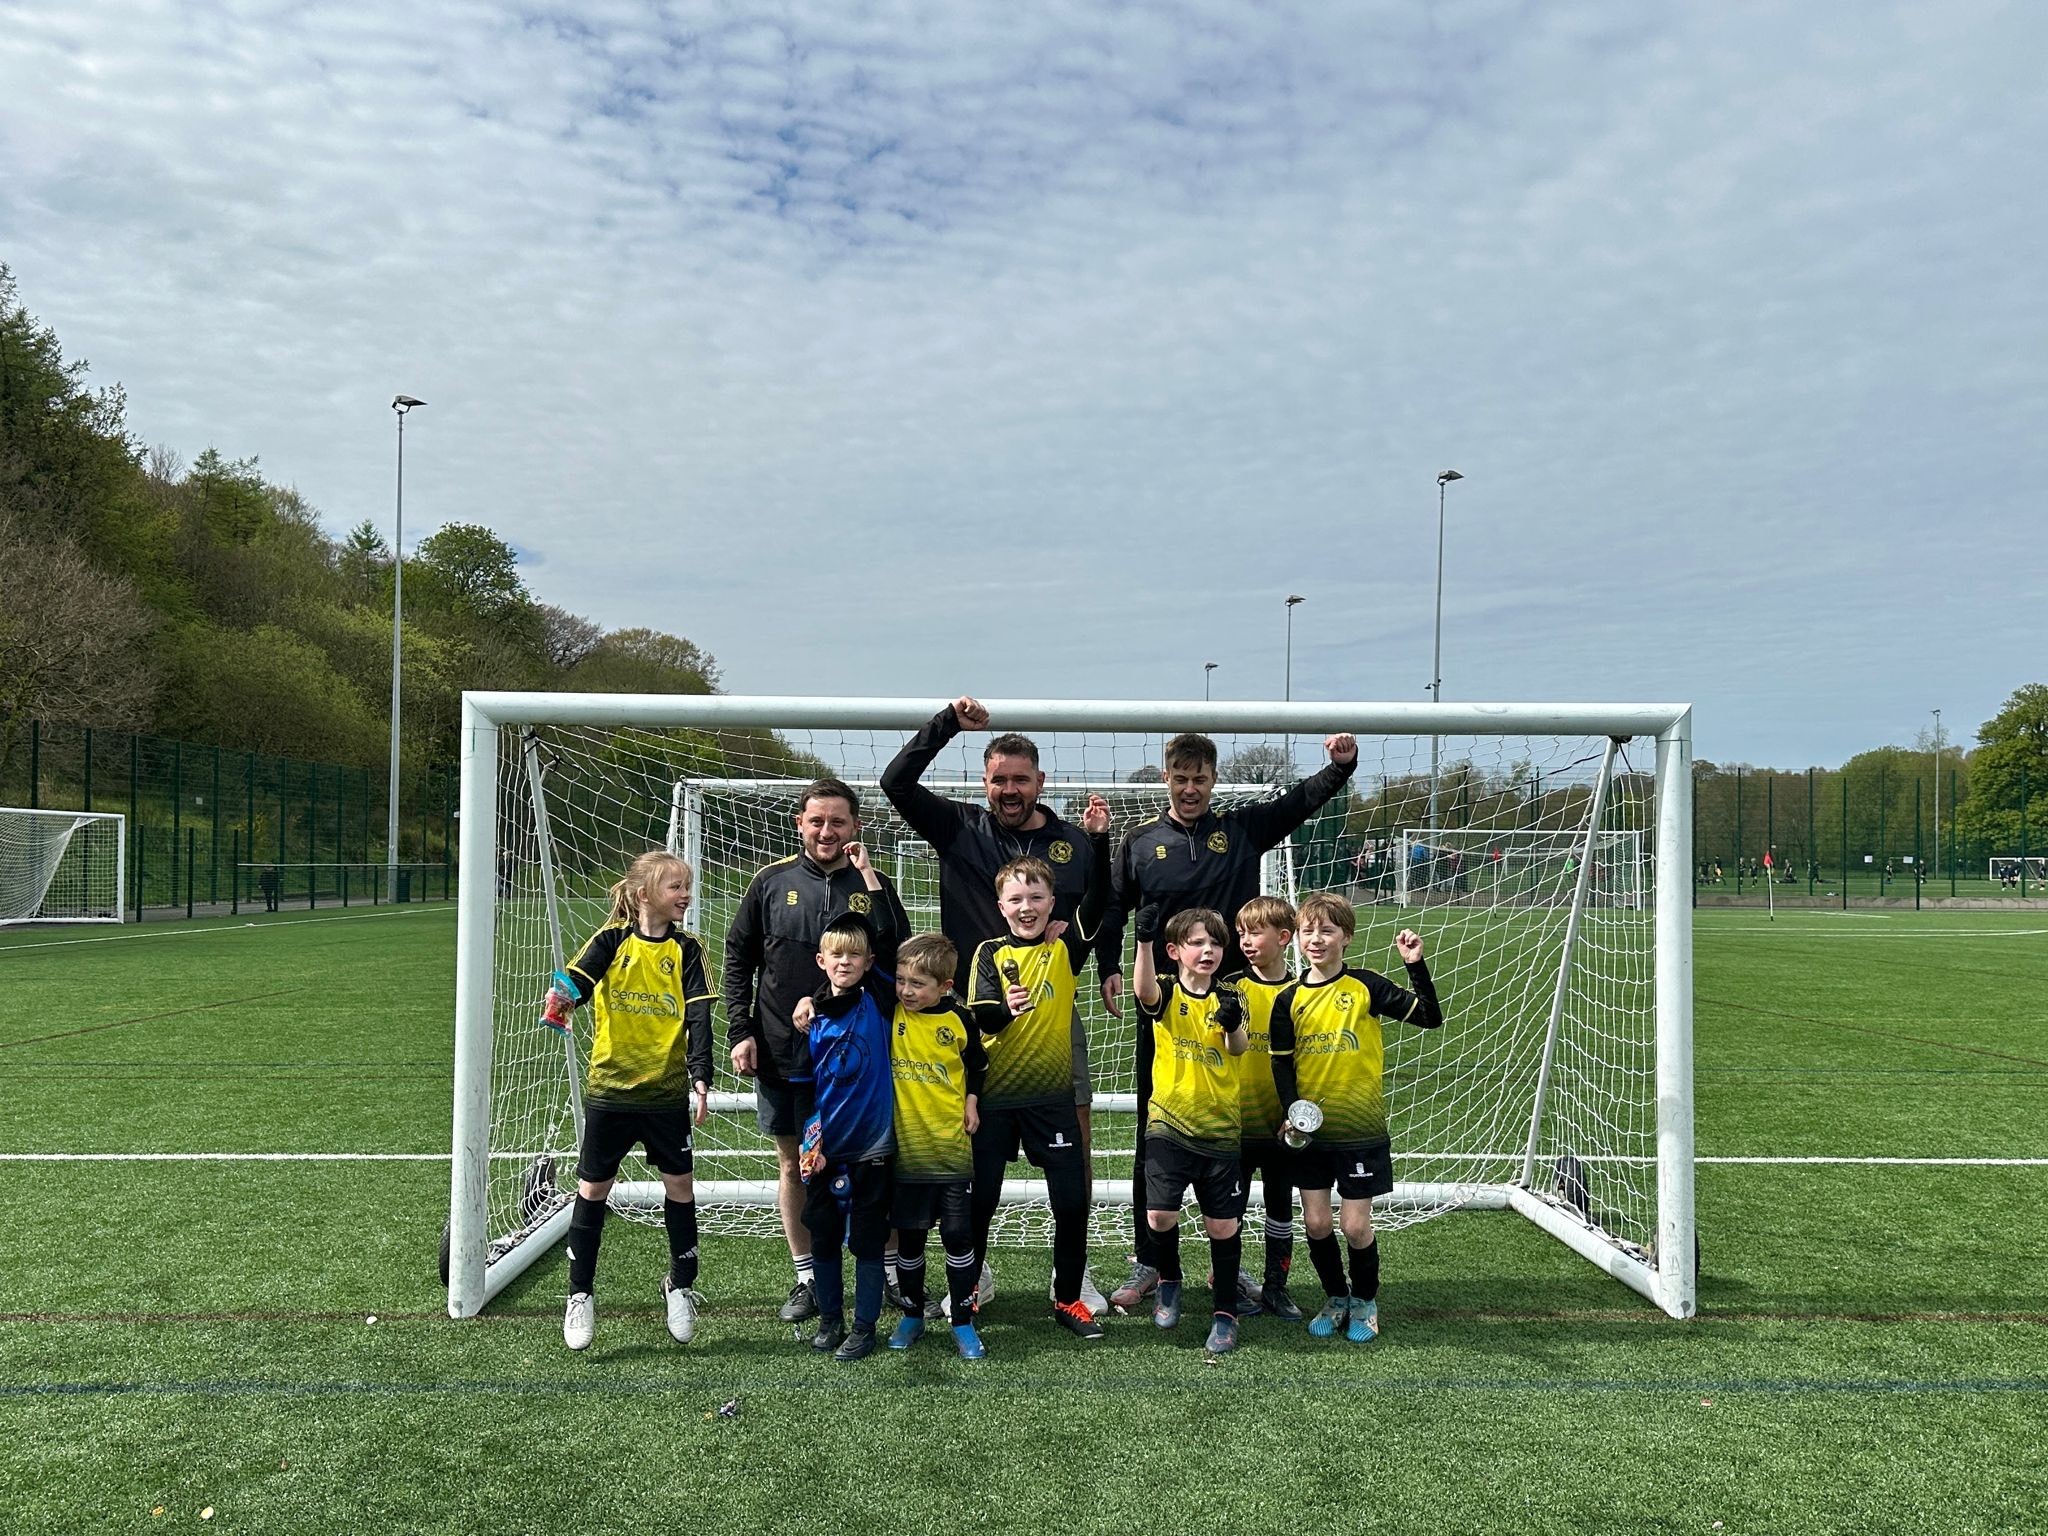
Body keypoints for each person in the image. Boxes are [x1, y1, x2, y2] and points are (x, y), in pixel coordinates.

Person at [1104, 729, 1357, 1312]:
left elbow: (1296, 804)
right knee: (1157, 1125)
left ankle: (1236, 1269)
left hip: (1236, 1002)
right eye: (1180, 778)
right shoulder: (1140, 842)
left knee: (1242, 1136)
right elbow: (1116, 903)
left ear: (1213, 781)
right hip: (1167, 1005)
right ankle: (1150, 1261)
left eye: (1200, 779)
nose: (1190, 789)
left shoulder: (1239, 832)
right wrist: (1111, 967)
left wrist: (1339, 769)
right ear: (1166, 778)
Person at [881, 696, 1116, 1315]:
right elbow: (895, 782)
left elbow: (1102, 908)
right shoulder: (961, 826)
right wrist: (947, 725)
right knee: (972, 1159)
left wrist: (1110, 964)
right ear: (983, 782)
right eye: (998, 780)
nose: (1009, 790)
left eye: (1020, 779)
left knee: (1074, 1150)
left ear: (1040, 782)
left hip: (1053, 1014)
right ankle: (974, 1272)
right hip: (966, 1022)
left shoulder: (1072, 841)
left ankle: (1075, 1274)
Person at [723, 779, 910, 1324]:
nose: (826, 832)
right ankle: (807, 1277)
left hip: (863, 1059)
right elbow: (738, 960)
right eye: (816, 821)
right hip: (787, 1053)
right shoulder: (770, 882)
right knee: (795, 1164)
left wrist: (872, 877)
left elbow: (897, 948)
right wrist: (742, 1030)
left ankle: (892, 1270)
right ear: (800, 824)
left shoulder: (874, 884)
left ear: (856, 826)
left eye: (837, 822)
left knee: (879, 1163)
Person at [542, 850, 714, 1352]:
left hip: (665, 1094)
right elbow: (574, 980)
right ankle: (579, 1295)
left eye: (687, 885)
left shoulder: (689, 950)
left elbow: (700, 1018)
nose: (686, 894)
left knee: (680, 1188)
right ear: (644, 895)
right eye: (675, 887)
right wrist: (561, 999)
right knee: (593, 1191)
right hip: (610, 1093)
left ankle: (679, 1286)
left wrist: (701, 1078)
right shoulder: (611, 942)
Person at [964, 800, 1113, 1341]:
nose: (1025, 907)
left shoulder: (1064, 948)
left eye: (1035, 898)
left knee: (1071, 1200)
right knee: (979, 1200)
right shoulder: (986, 952)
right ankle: (967, 1295)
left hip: (1051, 1097)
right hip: (995, 1097)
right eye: (1015, 899)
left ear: (1052, 903)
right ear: (1000, 905)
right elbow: (979, 1015)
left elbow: (1099, 902)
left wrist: (1097, 840)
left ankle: (1069, 1297)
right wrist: (1008, 1008)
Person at [1269, 892, 1443, 1344]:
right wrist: (1293, 1113)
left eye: (1327, 931)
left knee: (1355, 1225)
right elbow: (1281, 1064)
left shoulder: (1366, 985)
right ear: (1297, 939)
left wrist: (1414, 965)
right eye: (1308, 931)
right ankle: (1335, 1296)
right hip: (1311, 1134)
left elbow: (1429, 1016)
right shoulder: (1288, 999)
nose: (1316, 939)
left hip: (1360, 1130)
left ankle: (1365, 1299)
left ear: (1346, 937)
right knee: (1317, 1224)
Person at [1132, 904, 1251, 1355]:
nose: (1208, 951)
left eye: (1215, 943)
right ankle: (1169, 1278)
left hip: (1221, 1127)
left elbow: (1238, 1049)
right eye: (1197, 943)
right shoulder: (1165, 988)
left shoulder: (1232, 995)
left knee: (1222, 1227)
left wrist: (1232, 1024)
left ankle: (1225, 1313)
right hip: (1168, 1122)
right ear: (1175, 950)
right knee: (1159, 1216)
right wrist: (1142, 942)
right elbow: (1144, 993)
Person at [789, 892, 898, 1362]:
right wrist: (809, 1146)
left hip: (873, 1147)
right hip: (826, 1151)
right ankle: (831, 1318)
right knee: (826, 1236)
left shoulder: (877, 999)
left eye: (856, 954)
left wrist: (872, 881)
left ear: (869, 961)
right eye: (837, 954)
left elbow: (891, 934)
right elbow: (801, 1091)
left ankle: (864, 1326)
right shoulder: (809, 1020)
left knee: (870, 1241)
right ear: (821, 960)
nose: (846, 961)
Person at [882, 932, 990, 1359]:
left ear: (945, 986)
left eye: (918, 983)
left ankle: (962, 1321)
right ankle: (912, 1313)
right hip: (907, 1148)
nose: (907, 990)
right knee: (909, 1238)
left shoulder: (960, 1020)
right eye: (901, 980)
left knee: (957, 1235)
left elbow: (978, 1066)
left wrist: (971, 1100)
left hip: (950, 1146)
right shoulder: (889, 1012)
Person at [1227, 895, 1302, 1320]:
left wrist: (1296, 1113)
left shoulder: (1301, 992)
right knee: (1229, 1211)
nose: (1246, 941)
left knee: (1280, 1204)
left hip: (1281, 1124)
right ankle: (1230, 1280)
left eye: (1256, 932)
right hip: (1235, 1123)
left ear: (1284, 937)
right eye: (1241, 933)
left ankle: (1276, 1287)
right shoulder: (1231, 988)